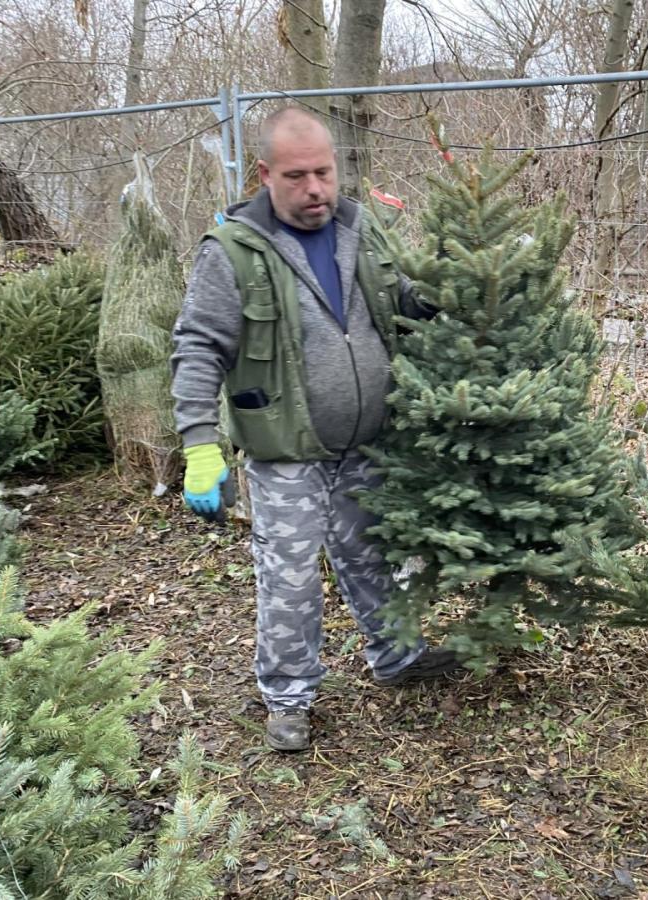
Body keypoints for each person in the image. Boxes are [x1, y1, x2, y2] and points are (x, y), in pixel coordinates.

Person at [170, 107, 459, 752]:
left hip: (367, 441)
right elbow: (198, 348)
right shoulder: (234, 252)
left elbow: (403, 303)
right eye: (297, 176)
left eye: (324, 173)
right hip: (286, 450)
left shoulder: (361, 230)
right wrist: (199, 445)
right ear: (265, 174)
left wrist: (456, 276)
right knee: (291, 577)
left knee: (372, 554)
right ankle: (288, 696)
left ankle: (397, 655)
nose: (315, 189)